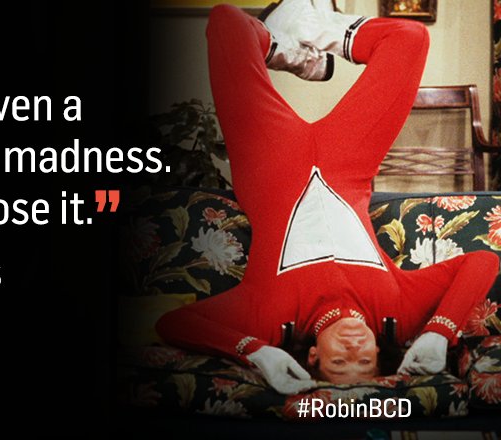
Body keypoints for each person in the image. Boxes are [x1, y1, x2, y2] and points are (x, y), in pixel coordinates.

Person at [155, 0, 499, 395]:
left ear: (312, 356)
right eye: (365, 361)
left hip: (270, 162)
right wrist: (439, 333)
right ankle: (309, 26)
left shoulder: (268, 320)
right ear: (380, 352)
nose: (354, 349)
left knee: (227, 23)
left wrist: (259, 353)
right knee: (408, 37)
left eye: (339, 363)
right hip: (346, 161)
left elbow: (173, 324)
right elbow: (482, 261)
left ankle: (287, 51)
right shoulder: (399, 313)